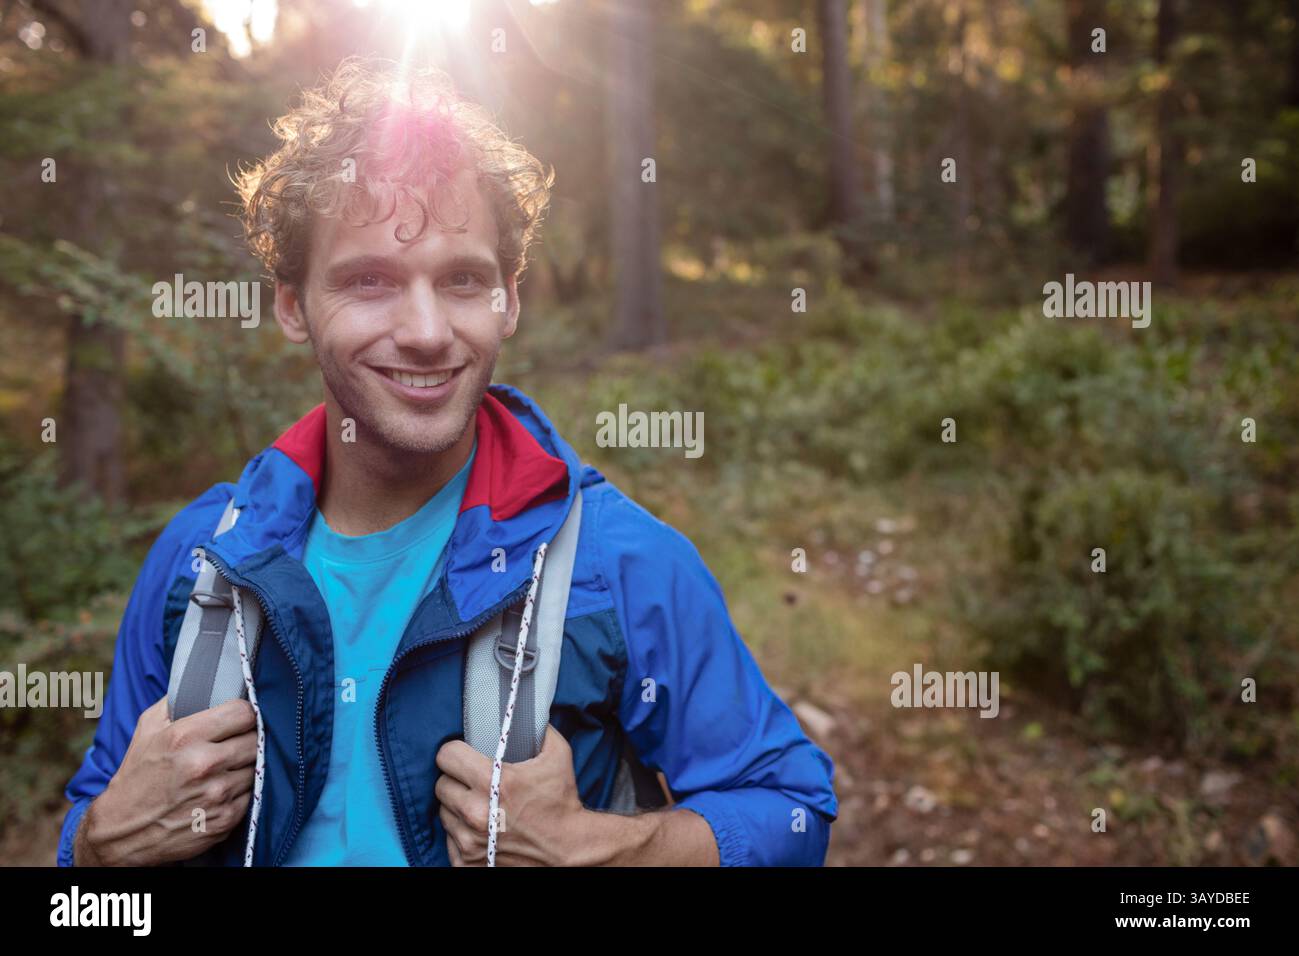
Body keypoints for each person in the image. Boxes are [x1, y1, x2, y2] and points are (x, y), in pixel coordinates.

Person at [58, 58, 837, 867]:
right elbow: (88, 878)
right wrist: (97, 846)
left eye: (464, 280)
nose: (427, 331)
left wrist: (602, 852)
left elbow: (793, 814)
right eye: (369, 281)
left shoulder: (619, 564)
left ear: (510, 301)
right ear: (292, 305)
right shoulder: (201, 564)